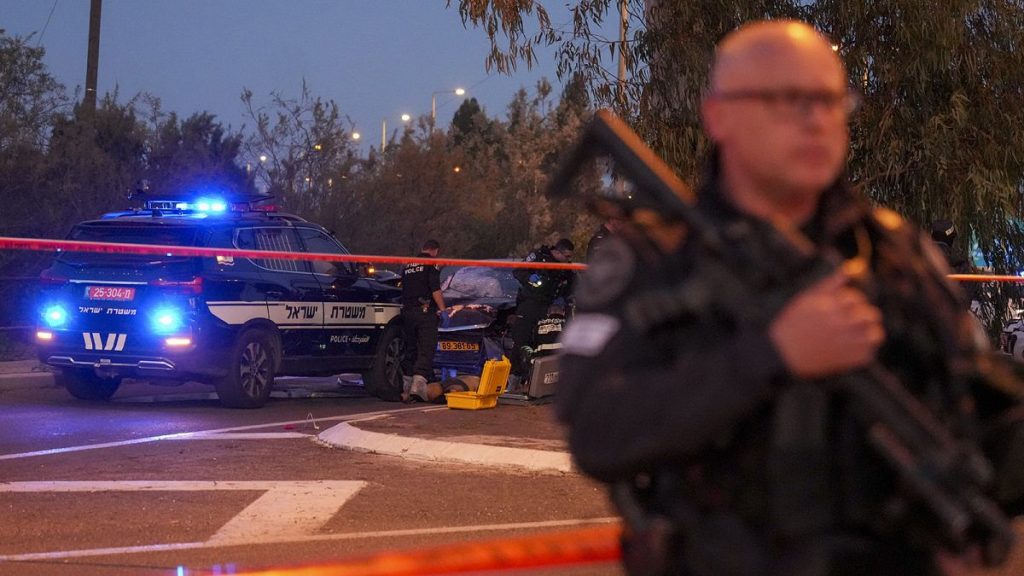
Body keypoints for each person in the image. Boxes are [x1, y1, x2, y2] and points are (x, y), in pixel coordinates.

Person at [557, 20, 1022, 576]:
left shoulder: (894, 253)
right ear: (718, 115)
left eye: (830, 100)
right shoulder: (653, 261)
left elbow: (974, 402)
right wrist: (770, 355)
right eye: (785, 100)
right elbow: (599, 433)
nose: (815, 120)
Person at [510, 238, 575, 384]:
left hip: (550, 306)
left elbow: (573, 285)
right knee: (522, 337)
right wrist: (530, 279)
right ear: (557, 252)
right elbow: (518, 271)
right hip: (530, 303)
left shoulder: (566, 268)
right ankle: (515, 375)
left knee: (547, 340)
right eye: (567, 256)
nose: (568, 260)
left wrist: (567, 297)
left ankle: (542, 376)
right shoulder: (539, 256)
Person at [400, 239, 445, 402]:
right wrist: (443, 309)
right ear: (436, 251)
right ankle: (418, 387)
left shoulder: (408, 265)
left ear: (422, 248)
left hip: (407, 312)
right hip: (425, 311)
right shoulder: (431, 263)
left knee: (410, 348)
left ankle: (405, 387)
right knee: (426, 347)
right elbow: (435, 288)